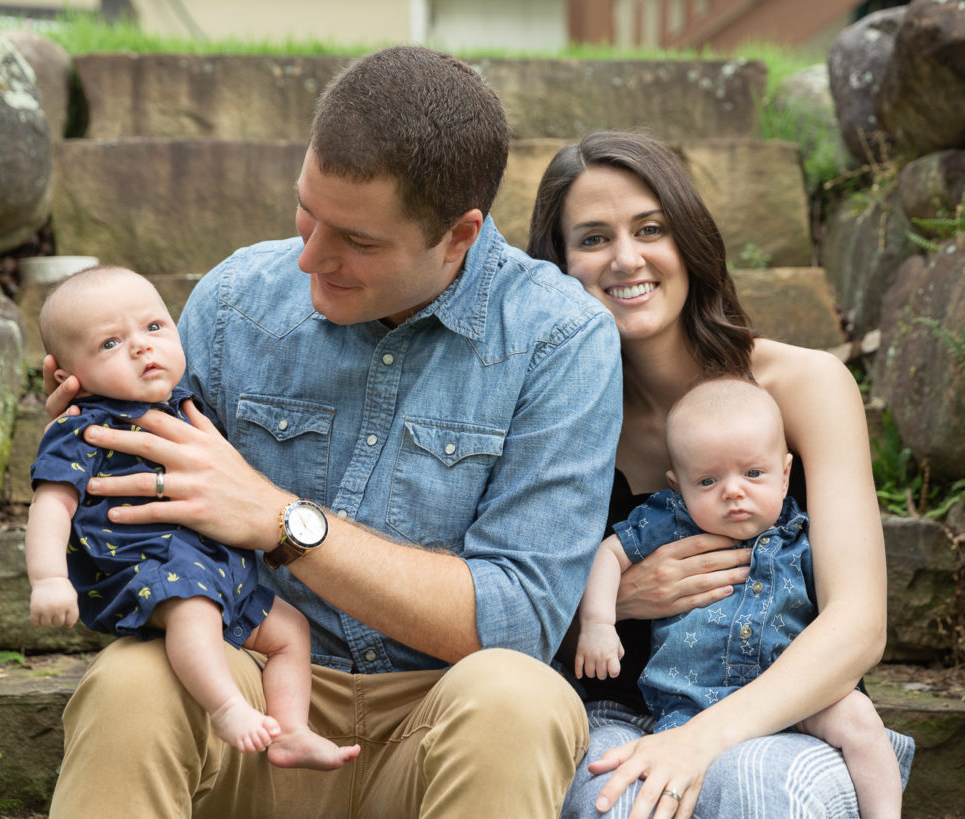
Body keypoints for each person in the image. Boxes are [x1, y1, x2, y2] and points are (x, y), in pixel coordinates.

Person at [42, 47, 623, 817]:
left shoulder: (559, 337)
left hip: (436, 723)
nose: (311, 257)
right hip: (250, 701)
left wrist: (284, 522)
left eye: (357, 239)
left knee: (520, 695)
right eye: (308, 211)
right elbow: (158, 532)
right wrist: (91, 457)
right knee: (132, 681)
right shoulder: (233, 302)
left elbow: (518, 618)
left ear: (459, 236)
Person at [527, 130, 913, 818]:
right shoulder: (545, 412)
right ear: (556, 265)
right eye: (591, 238)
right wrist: (613, 601)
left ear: (691, 239)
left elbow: (858, 622)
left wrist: (702, 739)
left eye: (651, 228)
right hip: (613, 710)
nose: (626, 257)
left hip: (783, 705)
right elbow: (501, 607)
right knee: (615, 804)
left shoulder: (805, 385)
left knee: (763, 796)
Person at [26, 264, 360, 770]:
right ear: (64, 375)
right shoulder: (82, 430)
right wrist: (49, 578)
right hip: (147, 564)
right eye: (110, 344)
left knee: (290, 629)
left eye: (154, 327)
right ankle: (225, 706)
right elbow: (51, 504)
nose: (141, 347)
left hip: (223, 567)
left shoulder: (186, 407)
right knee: (193, 609)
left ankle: (290, 729)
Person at [576, 376, 902, 819]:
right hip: (684, 703)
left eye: (753, 473)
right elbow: (607, 556)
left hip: (789, 700)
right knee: (641, 794)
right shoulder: (668, 521)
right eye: (708, 480)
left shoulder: (801, 534)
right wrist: (598, 622)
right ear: (678, 486)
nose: (733, 491)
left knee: (859, 717)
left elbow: (848, 614)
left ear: (786, 474)